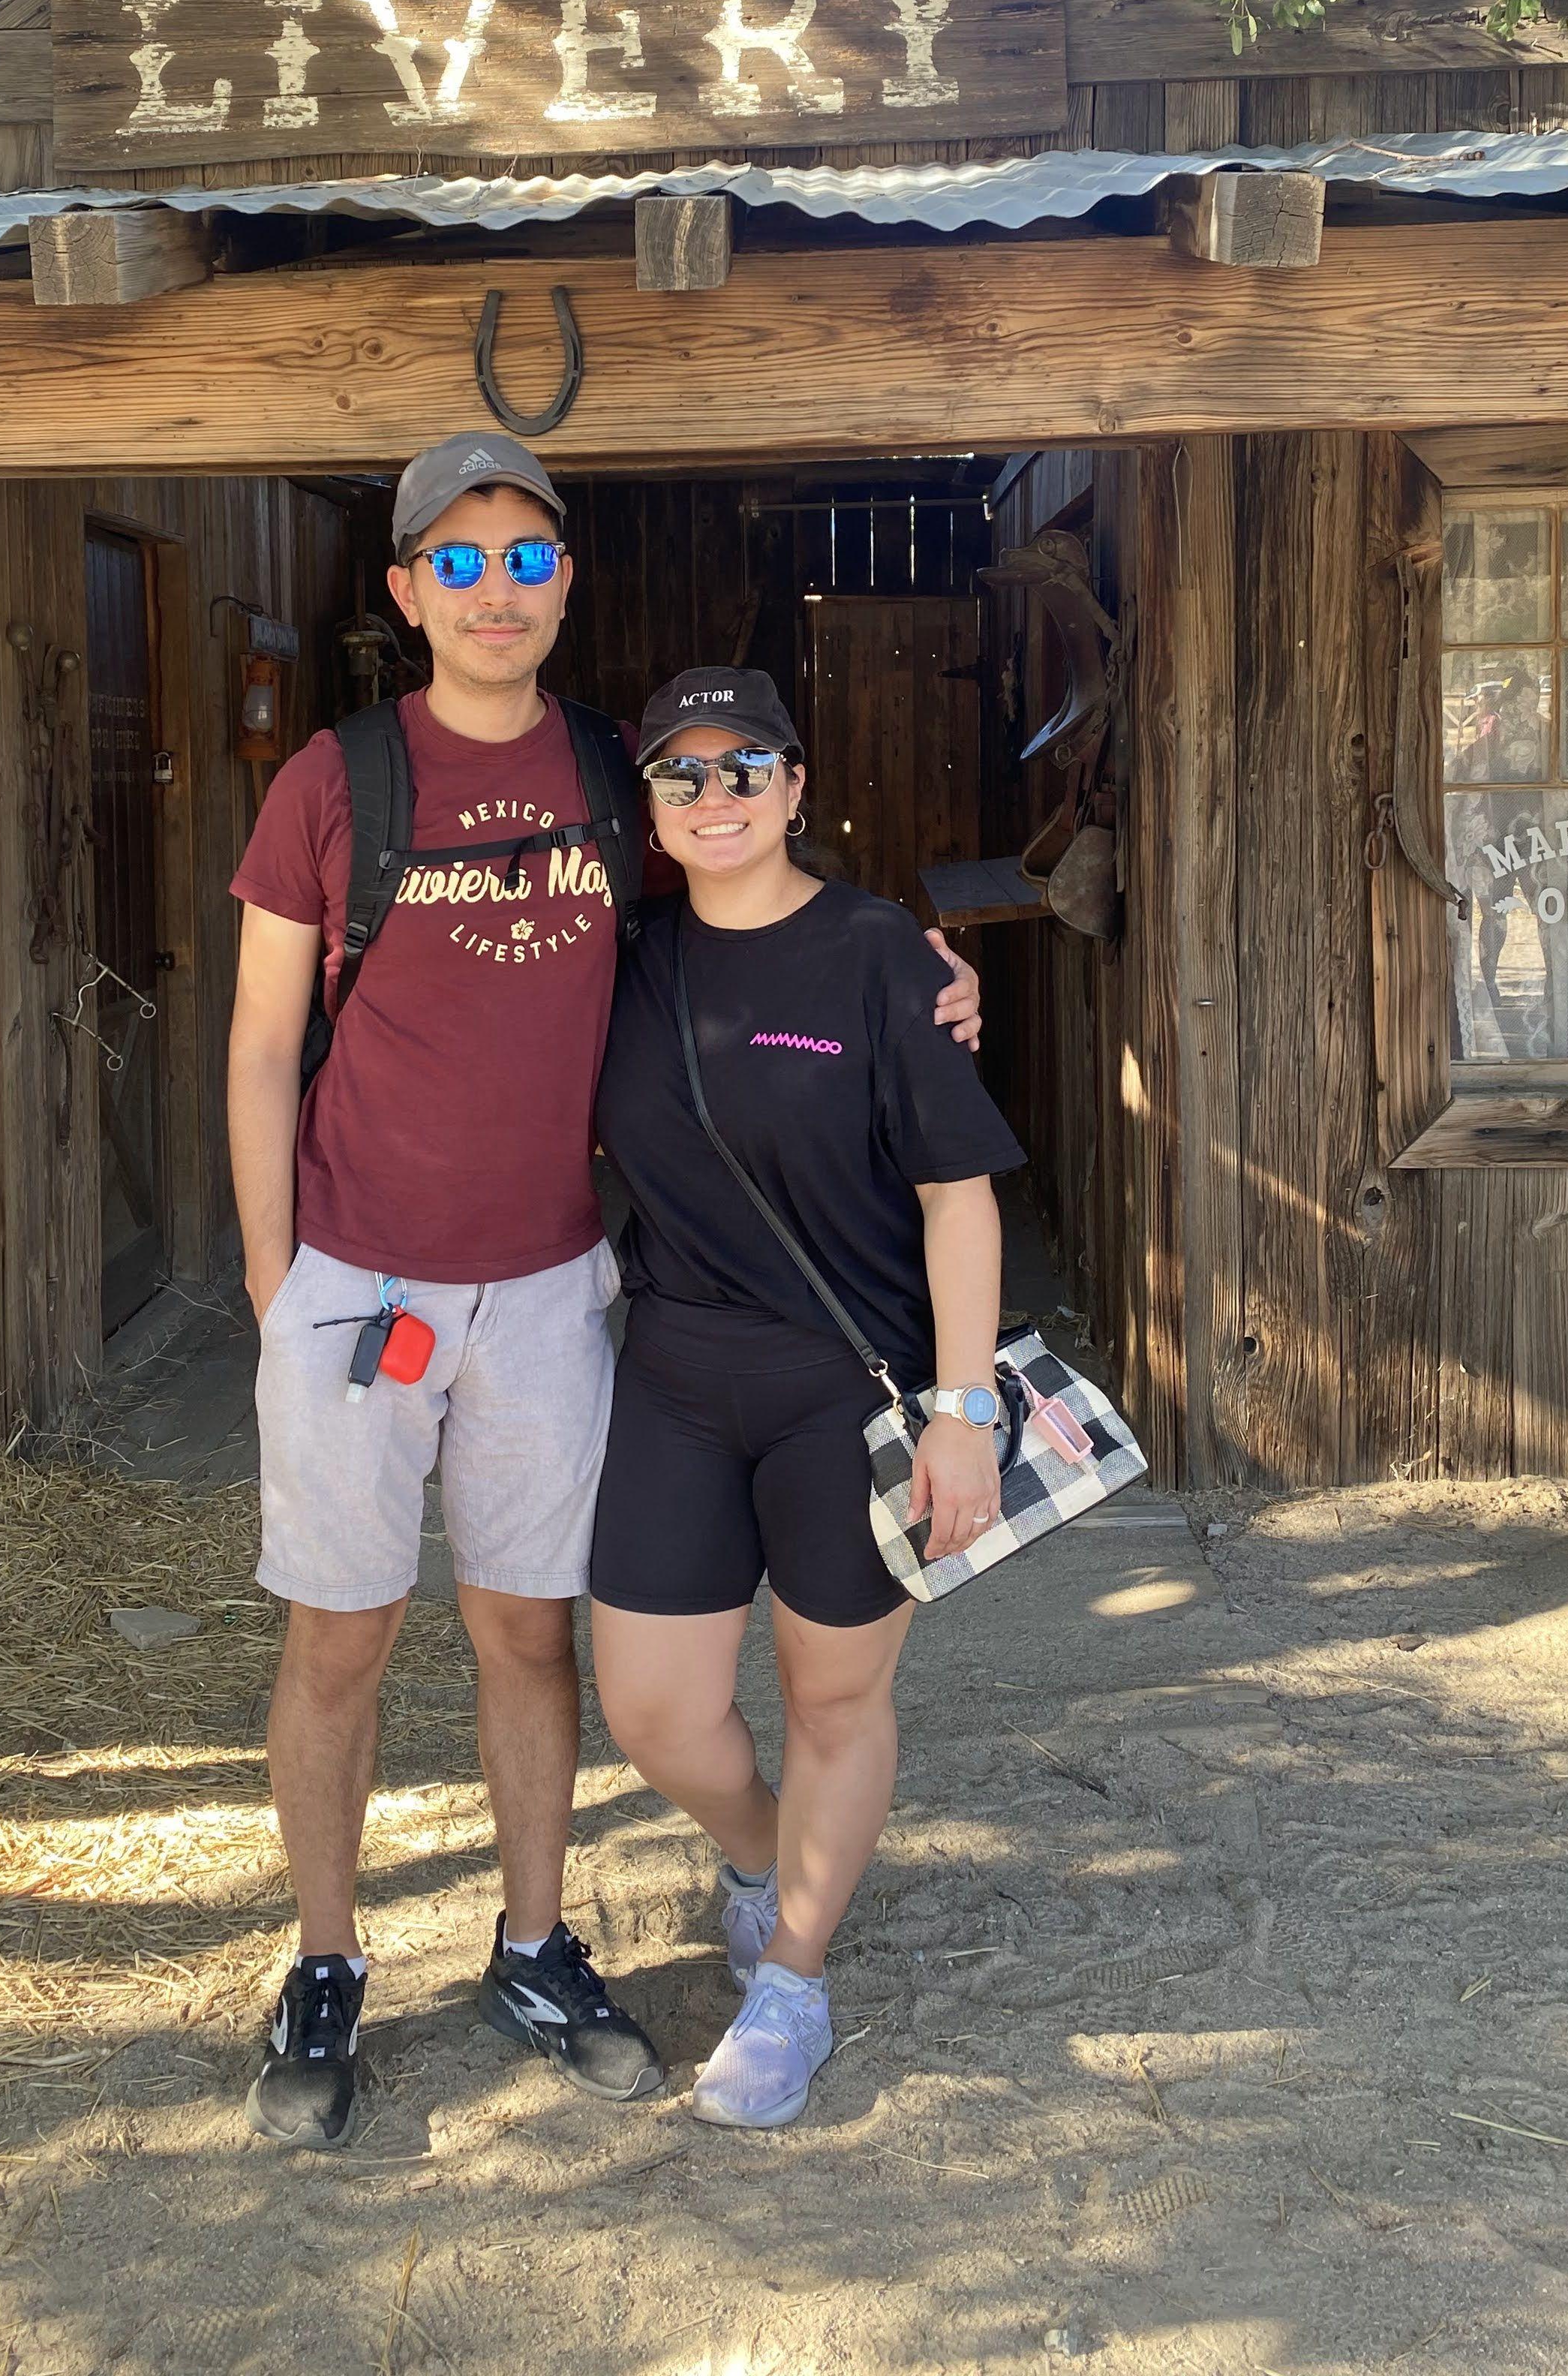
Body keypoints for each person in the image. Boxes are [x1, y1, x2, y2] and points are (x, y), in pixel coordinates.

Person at [223, 437, 984, 2149]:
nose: (500, 594)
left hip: (555, 1289)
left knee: (526, 1632)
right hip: (357, 1284)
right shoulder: (333, 784)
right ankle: (327, 1958)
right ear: (411, 590)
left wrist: (923, 968)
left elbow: (741, 907)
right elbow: (266, 1044)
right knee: (340, 1637)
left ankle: (534, 1938)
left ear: (566, 584)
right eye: (463, 564)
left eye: (531, 561)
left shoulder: (603, 770)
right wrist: (281, 1283)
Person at [584, 666, 1026, 2130]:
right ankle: (765, 1855)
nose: (715, 797)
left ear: (793, 785)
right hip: (673, 1378)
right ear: (648, 808)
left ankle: (793, 1983)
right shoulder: (625, 955)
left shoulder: (882, 954)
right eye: (682, 775)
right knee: (654, 1709)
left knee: (837, 1698)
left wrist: (962, 1410)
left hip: (848, 1393)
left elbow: (957, 1199)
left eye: (743, 768)